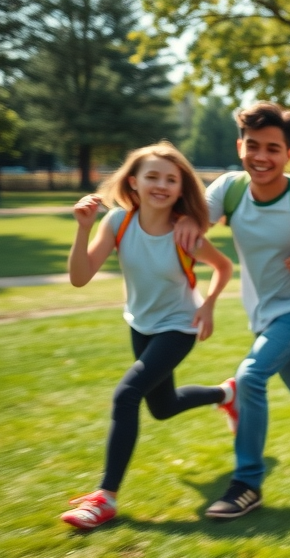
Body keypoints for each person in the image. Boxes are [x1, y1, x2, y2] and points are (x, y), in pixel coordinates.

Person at [174, 101, 290, 519]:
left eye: (273, 148)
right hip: (263, 312)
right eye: (253, 145)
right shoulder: (230, 190)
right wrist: (188, 218)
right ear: (240, 146)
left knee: (250, 376)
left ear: (289, 154)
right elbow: (195, 214)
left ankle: (247, 483)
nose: (262, 157)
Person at [61, 142, 235, 529]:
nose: (161, 184)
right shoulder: (117, 223)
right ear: (133, 182)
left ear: (180, 187)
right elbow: (79, 277)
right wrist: (83, 228)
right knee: (163, 407)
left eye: (171, 179)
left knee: (126, 394)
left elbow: (223, 267)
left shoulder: (183, 232)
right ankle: (227, 393)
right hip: (140, 323)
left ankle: (104, 498)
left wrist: (207, 305)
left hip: (179, 325)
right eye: (152, 176)